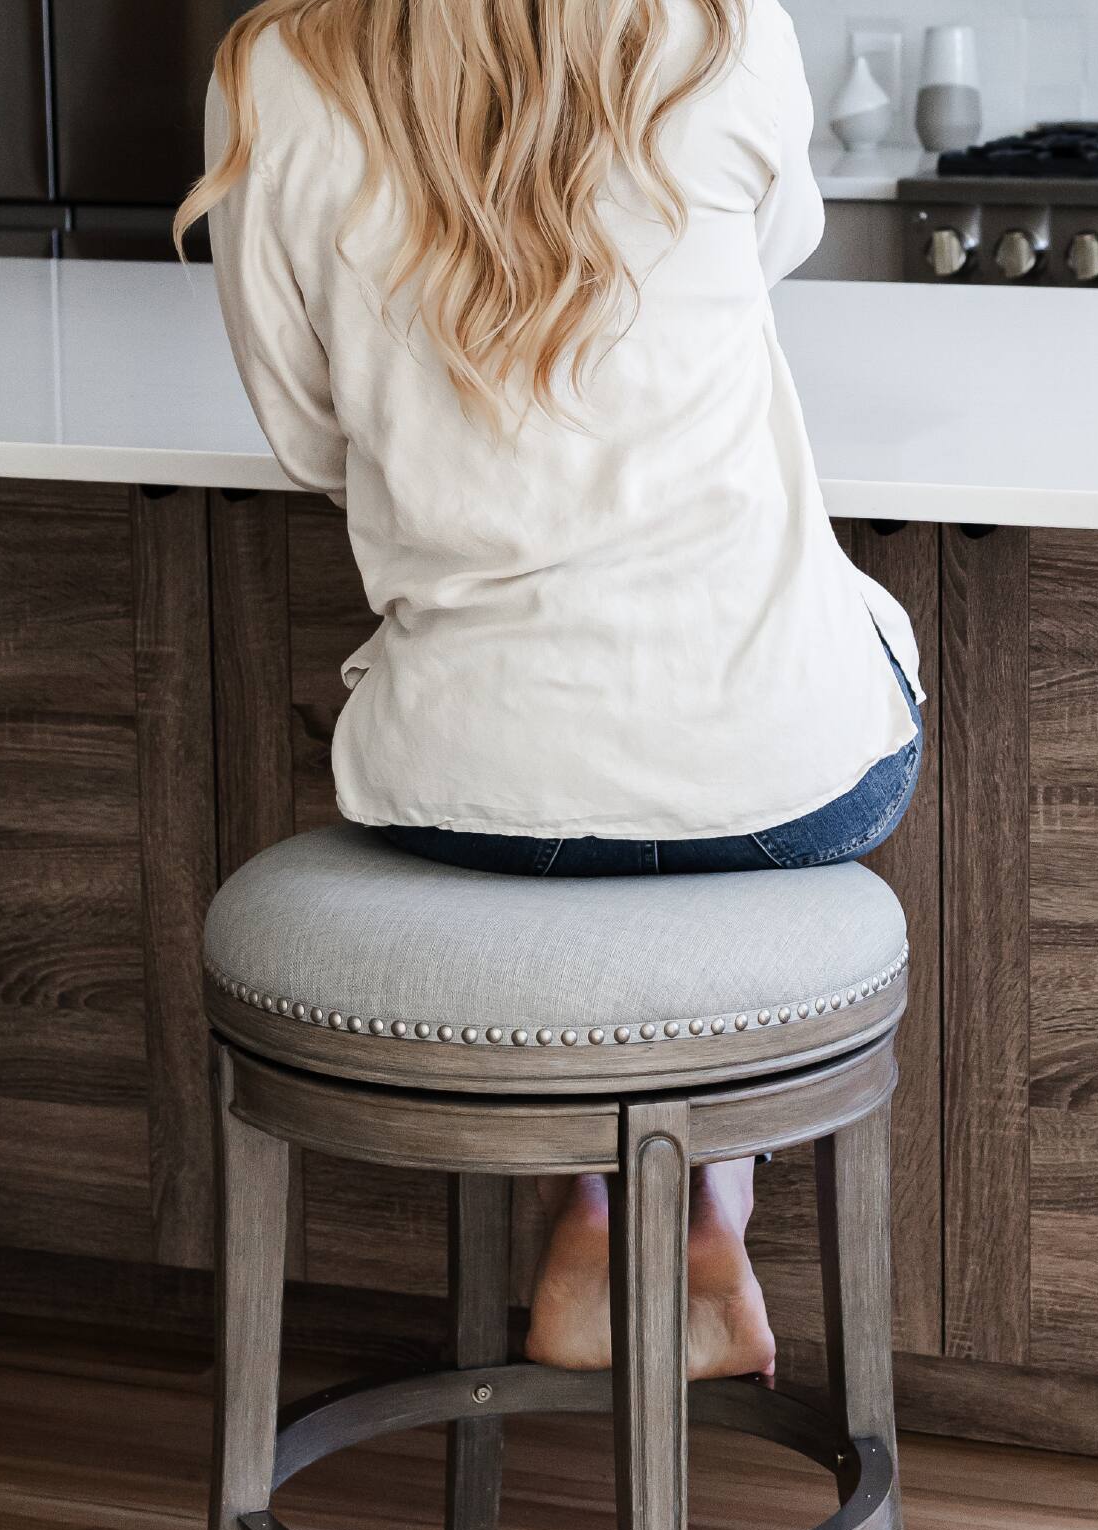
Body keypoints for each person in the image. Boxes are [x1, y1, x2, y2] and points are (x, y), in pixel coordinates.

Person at [179, 0, 922, 1387]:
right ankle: (703, 1202)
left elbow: (306, 432)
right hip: (781, 781)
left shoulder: (274, 70)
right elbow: (768, 252)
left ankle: (589, 1195)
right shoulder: (720, 27)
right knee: (849, 677)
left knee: (560, 822)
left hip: (465, 795)